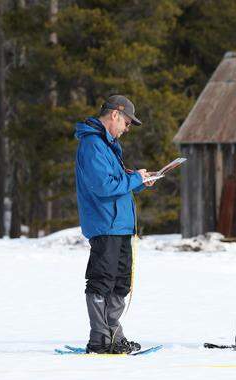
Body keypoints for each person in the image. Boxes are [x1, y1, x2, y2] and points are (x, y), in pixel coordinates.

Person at [74, 95, 154, 354]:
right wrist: (133, 181)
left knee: (121, 282)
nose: (127, 129)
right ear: (115, 115)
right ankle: (99, 338)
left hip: (119, 225)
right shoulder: (92, 145)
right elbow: (103, 187)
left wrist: (138, 180)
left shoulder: (108, 146)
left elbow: (114, 181)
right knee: (102, 280)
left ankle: (113, 335)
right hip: (104, 224)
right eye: (128, 123)